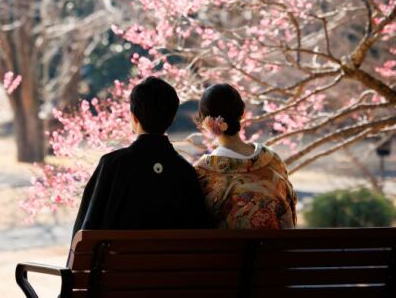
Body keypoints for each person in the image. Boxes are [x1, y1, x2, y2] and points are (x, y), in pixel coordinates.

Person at [72, 76, 209, 235]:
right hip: (172, 260)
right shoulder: (185, 172)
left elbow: (85, 232)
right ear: (171, 119)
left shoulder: (112, 165)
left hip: (119, 260)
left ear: (134, 117)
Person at [194, 83, 297, 229]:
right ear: (243, 113)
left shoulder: (203, 172)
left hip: (228, 251)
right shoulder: (273, 160)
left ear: (206, 121)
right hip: (275, 250)